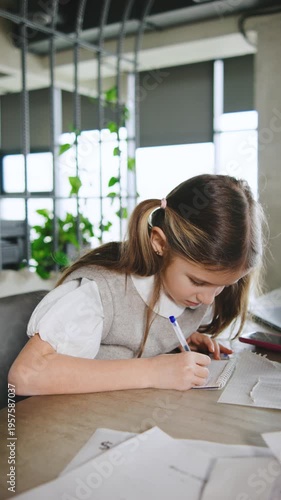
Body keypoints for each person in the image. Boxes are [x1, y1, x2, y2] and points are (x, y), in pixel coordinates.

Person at [9, 174, 264, 395]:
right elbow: (25, 376)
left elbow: (136, 335)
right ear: (160, 243)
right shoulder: (99, 293)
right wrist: (154, 371)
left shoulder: (190, 293)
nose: (208, 299)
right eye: (198, 281)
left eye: (221, 287)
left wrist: (179, 341)